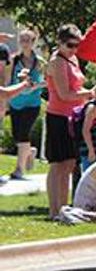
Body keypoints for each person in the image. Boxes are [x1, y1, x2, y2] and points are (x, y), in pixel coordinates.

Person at [44, 24, 94, 219]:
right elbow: (64, 94)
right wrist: (89, 93)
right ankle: (54, 209)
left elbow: (75, 88)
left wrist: (84, 95)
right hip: (58, 116)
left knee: (69, 163)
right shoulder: (57, 62)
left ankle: (63, 208)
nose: (74, 49)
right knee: (57, 164)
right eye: (70, 45)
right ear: (60, 42)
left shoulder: (72, 59)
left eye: (77, 45)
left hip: (72, 115)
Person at [5, 29, 44, 181]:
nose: (24, 43)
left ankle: (19, 170)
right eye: (22, 40)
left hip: (32, 103)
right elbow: (8, 81)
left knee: (23, 134)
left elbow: (47, 81)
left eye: (28, 40)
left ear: (33, 42)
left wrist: (35, 86)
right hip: (16, 102)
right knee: (17, 136)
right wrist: (6, 101)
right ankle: (30, 151)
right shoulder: (14, 60)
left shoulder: (40, 62)